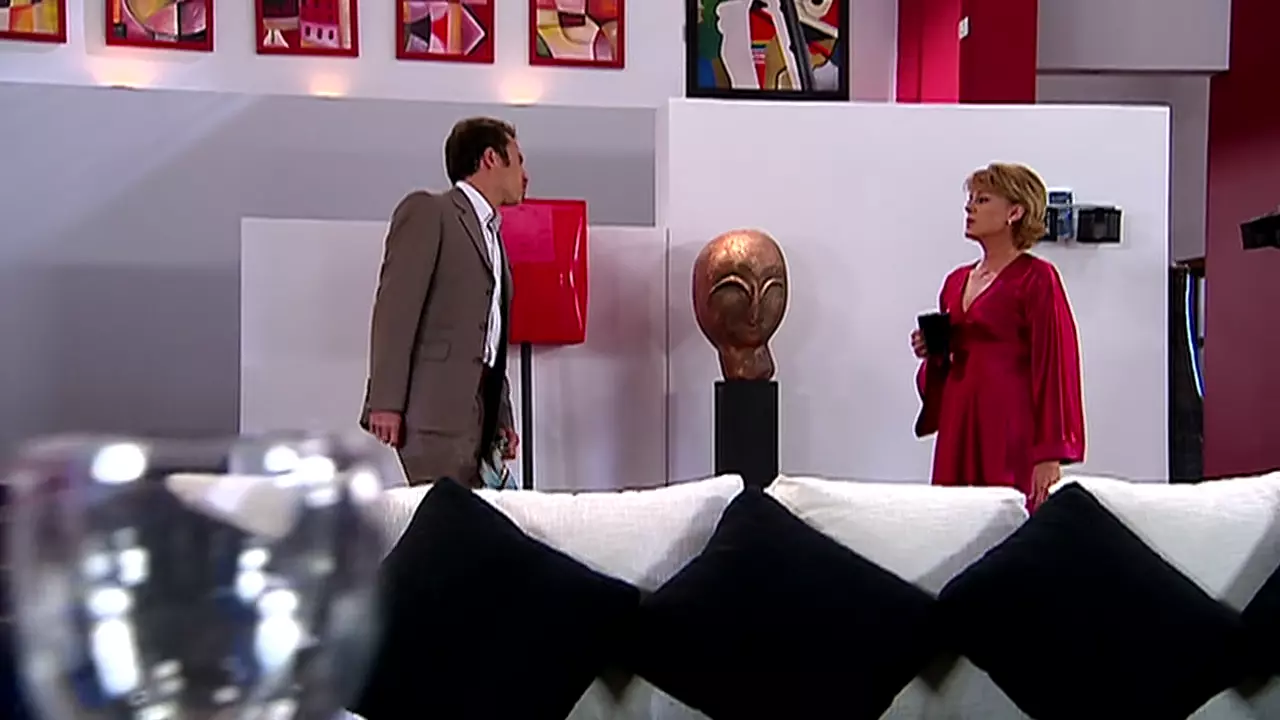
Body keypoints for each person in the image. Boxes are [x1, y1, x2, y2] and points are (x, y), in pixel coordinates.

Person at [361, 117, 525, 487]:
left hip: (479, 417)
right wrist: (385, 402)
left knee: (473, 516)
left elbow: (491, 339)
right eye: (517, 160)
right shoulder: (431, 212)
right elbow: (395, 310)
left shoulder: (493, 236)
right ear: (490, 158)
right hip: (434, 416)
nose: (525, 175)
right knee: (446, 515)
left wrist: (502, 416)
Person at [911, 162, 1085, 510]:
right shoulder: (955, 281)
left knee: (1011, 518)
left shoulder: (1037, 278)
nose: (970, 208)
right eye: (970, 199)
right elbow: (946, 364)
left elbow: (1055, 365)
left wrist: (1049, 453)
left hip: (1009, 421)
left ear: (1014, 212)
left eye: (983, 199)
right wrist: (933, 350)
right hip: (960, 417)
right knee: (953, 517)